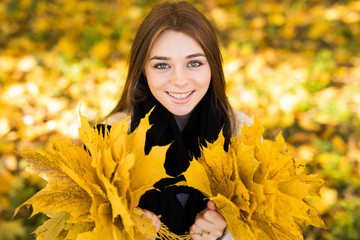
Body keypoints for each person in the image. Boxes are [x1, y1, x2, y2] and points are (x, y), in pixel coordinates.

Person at [100, 1, 253, 239]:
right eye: (162, 65)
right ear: (143, 70)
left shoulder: (241, 134)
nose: (180, 80)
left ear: (212, 66)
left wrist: (225, 233)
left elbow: (269, 227)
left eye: (194, 63)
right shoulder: (112, 137)